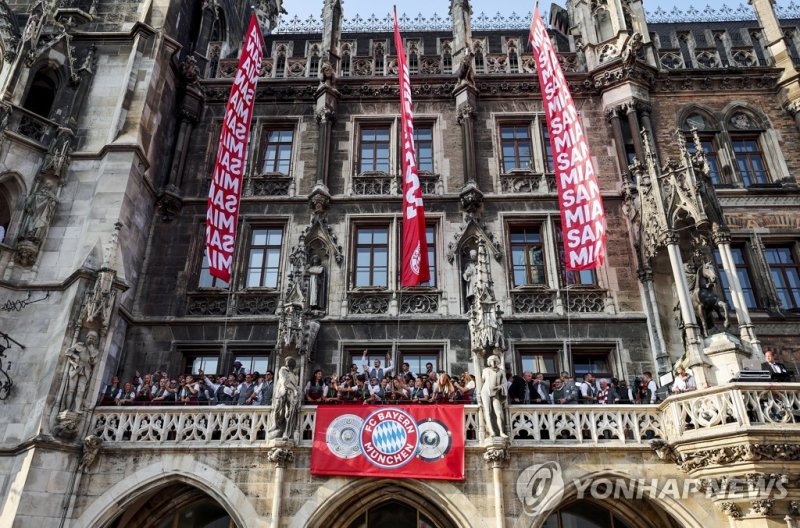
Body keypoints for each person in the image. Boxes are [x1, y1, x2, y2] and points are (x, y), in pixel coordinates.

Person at [480, 355, 508, 438]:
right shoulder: (485, 370)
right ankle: (491, 431)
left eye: (495, 360)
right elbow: (481, 381)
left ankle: (501, 432)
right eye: (492, 360)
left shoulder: (501, 371)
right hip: (485, 391)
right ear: (489, 362)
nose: (494, 362)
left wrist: (500, 387)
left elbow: (505, 383)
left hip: (496, 392)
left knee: (499, 413)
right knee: (488, 411)